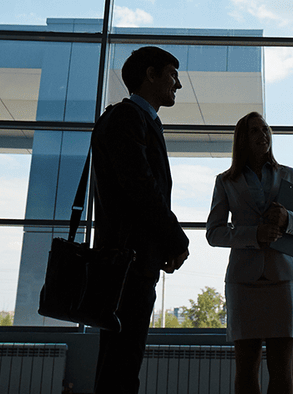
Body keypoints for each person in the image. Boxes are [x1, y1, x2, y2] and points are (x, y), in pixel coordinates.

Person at [89, 46, 191, 394]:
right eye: (172, 75)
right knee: (122, 364)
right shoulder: (128, 118)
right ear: (150, 74)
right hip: (128, 265)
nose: (177, 85)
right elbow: (142, 189)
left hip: (129, 261)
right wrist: (176, 238)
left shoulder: (133, 119)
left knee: (120, 362)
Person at [206, 112, 293, 394]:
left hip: (281, 280)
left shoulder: (289, 175)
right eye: (255, 131)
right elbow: (214, 233)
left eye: (266, 130)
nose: (263, 135)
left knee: (283, 370)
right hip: (243, 282)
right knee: (246, 369)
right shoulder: (226, 181)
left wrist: (287, 220)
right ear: (242, 139)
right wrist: (252, 236)